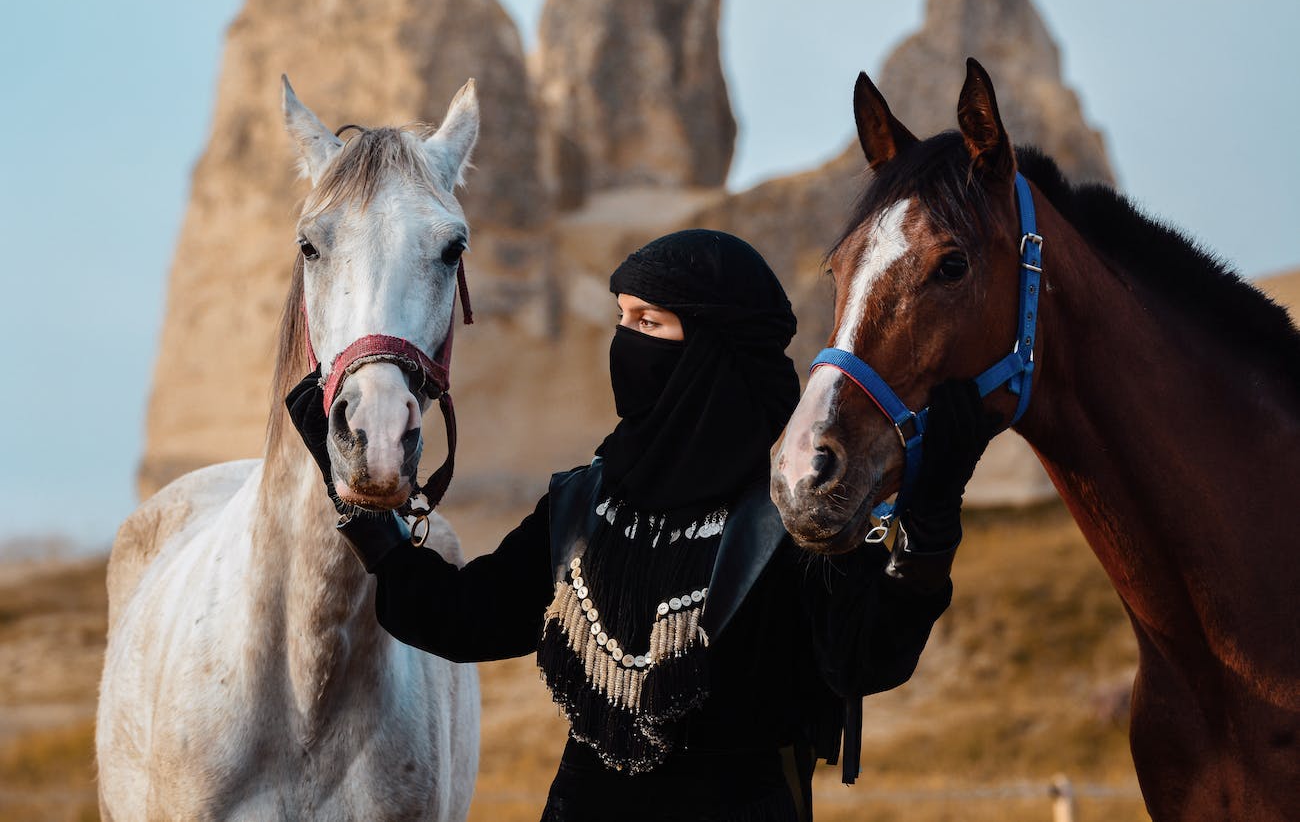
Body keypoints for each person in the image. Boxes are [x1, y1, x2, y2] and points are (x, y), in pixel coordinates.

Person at [286, 229, 992, 821]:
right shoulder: (586, 499)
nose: (625, 343)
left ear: (713, 350)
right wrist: (358, 502)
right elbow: (460, 618)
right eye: (621, 319)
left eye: (649, 323)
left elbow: (867, 658)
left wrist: (931, 515)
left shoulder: (796, 508)